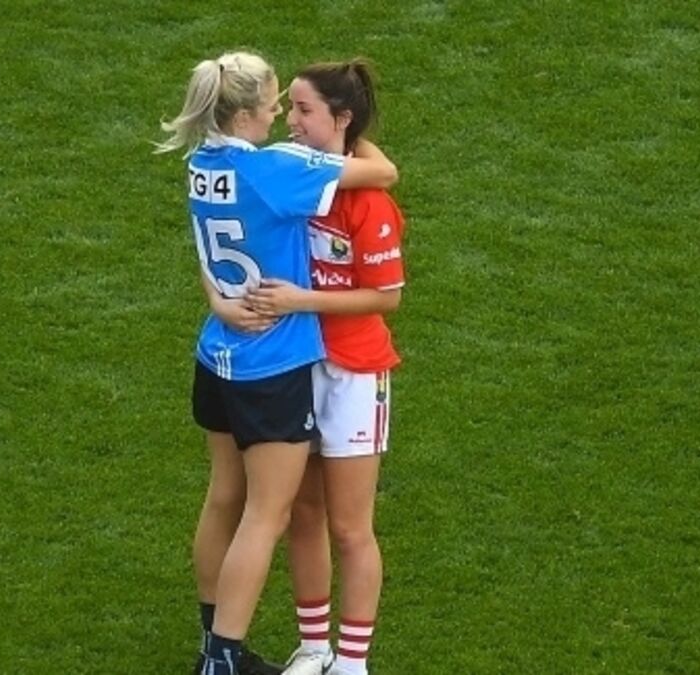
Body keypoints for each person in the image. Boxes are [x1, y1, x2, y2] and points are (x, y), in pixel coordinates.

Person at [155, 50, 399, 675]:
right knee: (266, 516)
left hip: (217, 353)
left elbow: (211, 259)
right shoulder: (277, 168)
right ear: (242, 115)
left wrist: (219, 301)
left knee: (223, 498)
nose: (280, 117)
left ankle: (211, 641)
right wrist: (349, 130)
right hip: (273, 365)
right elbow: (383, 173)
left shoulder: (199, 165)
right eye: (272, 105)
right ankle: (224, 659)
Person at [240, 58, 405, 675]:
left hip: (354, 373)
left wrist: (300, 301)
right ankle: (314, 648)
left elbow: (386, 296)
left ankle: (352, 663)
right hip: (296, 366)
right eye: (289, 107)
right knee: (302, 515)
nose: (291, 120)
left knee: (351, 527)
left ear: (341, 119)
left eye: (304, 110)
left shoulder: (369, 205)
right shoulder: (294, 178)